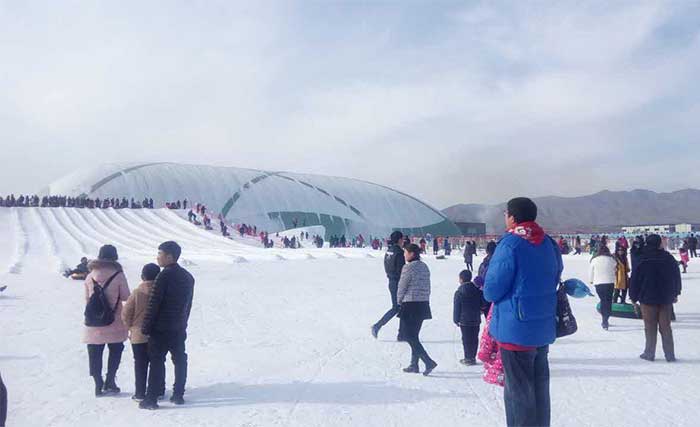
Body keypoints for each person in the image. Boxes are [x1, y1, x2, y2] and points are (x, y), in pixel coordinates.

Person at [484, 197, 562, 427]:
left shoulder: (510, 244)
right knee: (539, 389)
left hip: (516, 329)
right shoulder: (548, 242)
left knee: (518, 393)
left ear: (513, 217)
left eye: (506, 214)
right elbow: (556, 275)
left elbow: (492, 289)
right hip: (542, 326)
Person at [140, 241, 195, 410]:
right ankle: (178, 394)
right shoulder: (188, 276)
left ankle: (151, 399)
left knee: (156, 361)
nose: (157, 258)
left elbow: (154, 304)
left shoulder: (163, 276)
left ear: (169, 257)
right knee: (179, 359)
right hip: (178, 326)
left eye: (160, 254)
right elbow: (188, 304)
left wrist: (146, 327)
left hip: (161, 328)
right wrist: (183, 322)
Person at [83, 245, 131, 397]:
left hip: (93, 322)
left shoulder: (90, 275)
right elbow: (126, 297)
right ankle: (110, 381)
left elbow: (86, 299)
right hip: (114, 321)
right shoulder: (118, 274)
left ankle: (98, 384)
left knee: (94, 353)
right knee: (115, 350)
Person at [630, 234, 682, 362]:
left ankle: (649, 353)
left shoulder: (642, 258)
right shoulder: (668, 258)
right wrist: (676, 292)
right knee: (666, 327)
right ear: (659, 243)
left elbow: (635, 279)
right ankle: (670, 355)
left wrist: (633, 296)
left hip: (647, 298)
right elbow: (676, 276)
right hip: (665, 297)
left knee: (650, 326)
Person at [122, 263, 164, 402]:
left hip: (138, 334)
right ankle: (158, 390)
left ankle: (140, 392)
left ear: (142, 276)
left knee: (140, 363)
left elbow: (126, 313)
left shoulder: (137, 292)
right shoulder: (162, 291)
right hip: (157, 333)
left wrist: (130, 327)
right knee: (157, 362)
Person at [397, 243, 437, 376]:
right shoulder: (425, 267)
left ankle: (428, 361)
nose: (404, 255)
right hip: (423, 304)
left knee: (408, 335)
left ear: (412, 254)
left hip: (410, 304)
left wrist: (399, 300)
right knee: (414, 335)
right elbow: (428, 286)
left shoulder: (408, 268)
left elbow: (402, 286)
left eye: (406, 252)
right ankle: (414, 364)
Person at [371, 231, 406, 340]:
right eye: (402, 239)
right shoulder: (399, 252)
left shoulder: (389, 251)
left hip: (391, 281)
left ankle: (401, 334)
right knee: (398, 307)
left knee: (401, 308)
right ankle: (377, 326)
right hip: (398, 282)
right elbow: (402, 270)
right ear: (400, 239)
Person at [453, 270, 487, 365]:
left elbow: (457, 307)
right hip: (476, 318)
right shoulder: (477, 290)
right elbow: (483, 303)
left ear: (461, 279)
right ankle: (472, 357)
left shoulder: (459, 292)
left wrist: (456, 319)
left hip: (464, 320)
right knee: (474, 338)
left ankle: (468, 358)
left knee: (466, 339)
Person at [590, 245, 617, 330]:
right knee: (608, 301)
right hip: (610, 283)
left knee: (603, 300)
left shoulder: (594, 260)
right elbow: (615, 269)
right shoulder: (612, 259)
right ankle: (605, 319)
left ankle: (604, 320)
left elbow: (591, 271)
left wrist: (591, 280)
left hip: (599, 283)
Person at [474, 240, 497, 318]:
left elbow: (480, 278)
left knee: (488, 318)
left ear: (487, 251)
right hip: (493, 294)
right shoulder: (498, 262)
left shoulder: (484, 263)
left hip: (485, 294)